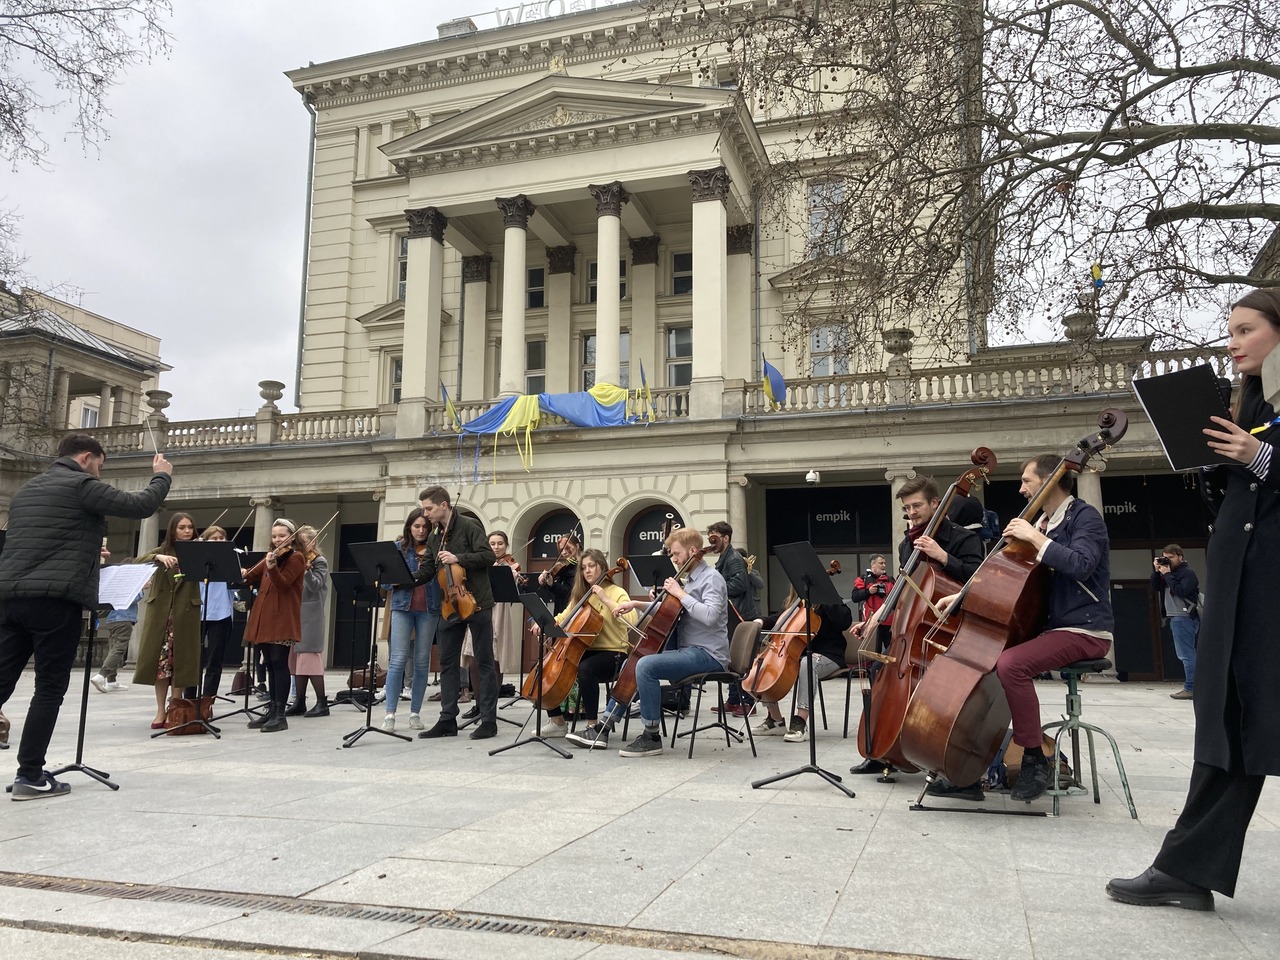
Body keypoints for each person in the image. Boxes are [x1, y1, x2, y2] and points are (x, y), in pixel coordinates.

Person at [1108, 289, 1280, 911]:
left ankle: (1185, 866)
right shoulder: (1250, 403)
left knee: (1246, 715)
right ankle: (1186, 867)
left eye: (1245, 329)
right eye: (1229, 331)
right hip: (1241, 587)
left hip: (1269, 590)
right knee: (1228, 718)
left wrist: (1261, 456)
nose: (1232, 343)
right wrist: (1216, 464)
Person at [931, 453, 1114, 804]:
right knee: (982, 664)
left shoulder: (1084, 517)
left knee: (1012, 664)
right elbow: (1003, 577)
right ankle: (969, 771)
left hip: (1084, 630)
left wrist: (1034, 536)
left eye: (1027, 481)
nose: (1021, 489)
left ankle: (1034, 759)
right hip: (1050, 628)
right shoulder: (1043, 522)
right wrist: (962, 596)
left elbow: (1081, 564)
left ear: (1050, 481)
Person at [0, 435, 171, 800]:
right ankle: (30, 775)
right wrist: (161, 475)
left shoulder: (28, 490)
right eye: (100, 466)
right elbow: (142, 505)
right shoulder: (81, 484)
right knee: (49, 688)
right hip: (55, 601)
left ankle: (30, 772)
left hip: (11, 597)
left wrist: (88, 549)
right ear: (86, 458)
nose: (99, 473)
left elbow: (45, 540)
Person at [850, 475, 984, 775]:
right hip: (912, 633)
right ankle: (881, 751)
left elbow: (979, 579)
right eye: (907, 508)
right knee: (878, 671)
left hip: (949, 631)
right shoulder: (906, 545)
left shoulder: (963, 538)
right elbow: (903, 589)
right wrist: (874, 618)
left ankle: (934, 756)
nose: (911, 513)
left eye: (917, 506)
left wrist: (943, 556)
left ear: (935, 503)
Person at [610, 527, 728, 758]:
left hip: (709, 655)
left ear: (692, 551)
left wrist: (681, 594)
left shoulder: (712, 579)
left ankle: (651, 736)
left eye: (676, 553)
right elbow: (674, 611)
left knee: (646, 665)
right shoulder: (689, 581)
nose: (673, 559)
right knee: (634, 662)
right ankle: (608, 721)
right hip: (690, 651)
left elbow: (710, 616)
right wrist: (637, 604)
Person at [514, 549, 637, 747]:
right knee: (546, 669)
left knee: (586, 669)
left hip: (613, 652)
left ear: (602, 567)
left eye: (591, 566)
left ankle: (592, 726)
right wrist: (544, 623)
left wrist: (605, 599)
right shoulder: (581, 595)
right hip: (586, 649)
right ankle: (557, 721)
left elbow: (632, 619)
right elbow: (564, 616)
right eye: (583, 567)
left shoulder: (616, 592)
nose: (587, 571)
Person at [413, 486, 499, 740]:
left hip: (477, 602)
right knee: (448, 662)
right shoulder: (434, 535)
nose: (425, 514)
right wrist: (405, 579)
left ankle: (489, 721)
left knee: (483, 661)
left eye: (429, 508)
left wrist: (457, 557)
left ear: (444, 505)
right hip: (449, 605)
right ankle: (447, 719)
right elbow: (428, 569)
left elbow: (487, 556)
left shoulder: (470, 526)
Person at [749, 587, 853, 741]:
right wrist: (761, 621)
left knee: (807, 663)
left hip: (829, 655)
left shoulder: (829, 602)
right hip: (799, 655)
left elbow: (844, 621)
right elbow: (778, 619)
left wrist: (824, 597)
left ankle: (800, 721)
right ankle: (776, 721)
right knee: (761, 667)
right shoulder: (795, 604)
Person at [132, 513, 202, 729]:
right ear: (173, 530)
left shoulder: (197, 551)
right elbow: (136, 561)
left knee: (180, 662)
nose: (187, 531)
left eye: (190, 527)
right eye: (182, 527)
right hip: (162, 615)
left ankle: (175, 707)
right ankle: (160, 710)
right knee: (161, 665)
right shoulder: (162, 550)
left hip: (185, 613)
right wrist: (157, 557)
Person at [241, 519, 306, 733]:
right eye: (274, 536)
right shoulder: (272, 556)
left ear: (292, 537)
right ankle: (272, 709)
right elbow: (251, 576)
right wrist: (244, 572)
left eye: (282, 535)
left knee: (279, 663)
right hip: (264, 616)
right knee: (268, 662)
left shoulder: (296, 557)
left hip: (282, 617)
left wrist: (272, 568)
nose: (277, 539)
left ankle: (280, 715)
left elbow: (283, 584)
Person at [383, 508, 440, 732]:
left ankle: (415, 713)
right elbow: (384, 581)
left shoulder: (436, 548)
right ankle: (390, 714)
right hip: (402, 607)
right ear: (409, 527)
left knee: (422, 661)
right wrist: (395, 580)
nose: (421, 530)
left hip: (429, 608)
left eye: (425, 527)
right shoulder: (398, 549)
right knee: (397, 660)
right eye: (417, 526)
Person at [706, 521, 756, 717]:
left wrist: (715, 587)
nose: (711, 542)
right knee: (733, 659)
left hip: (740, 615)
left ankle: (748, 702)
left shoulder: (733, 558)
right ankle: (734, 700)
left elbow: (740, 584)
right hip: (734, 615)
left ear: (726, 538)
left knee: (742, 660)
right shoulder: (725, 557)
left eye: (714, 538)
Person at [285, 524, 330, 717]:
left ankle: (322, 702)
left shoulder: (319, 562)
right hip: (295, 614)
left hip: (311, 616)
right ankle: (300, 701)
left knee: (310, 659)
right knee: (298, 661)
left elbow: (316, 586)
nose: (299, 547)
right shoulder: (295, 560)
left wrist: (306, 571)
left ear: (313, 543)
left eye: (303, 543)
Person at [1150, 544, 1200, 700]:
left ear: (1181, 557)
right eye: (1165, 557)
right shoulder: (1168, 573)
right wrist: (1157, 571)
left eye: (1171, 557)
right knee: (1185, 654)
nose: (1168, 561)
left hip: (1184, 616)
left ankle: (1191, 688)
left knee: (1186, 654)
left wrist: (1167, 574)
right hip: (1175, 616)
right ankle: (1194, 687)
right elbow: (1155, 587)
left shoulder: (1188, 573)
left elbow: (1181, 590)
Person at [194, 525, 235, 698]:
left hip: (221, 612)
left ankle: (207, 700)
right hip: (197, 612)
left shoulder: (232, 558)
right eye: (214, 538)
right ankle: (189, 699)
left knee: (215, 660)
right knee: (193, 660)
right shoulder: (196, 557)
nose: (219, 541)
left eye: (221, 538)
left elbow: (237, 586)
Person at [93, 560, 142, 694]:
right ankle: (101, 675)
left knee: (113, 648)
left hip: (112, 620)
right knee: (119, 649)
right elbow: (132, 599)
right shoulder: (130, 583)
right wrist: (141, 588)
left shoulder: (117, 582)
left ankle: (111, 681)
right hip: (124, 619)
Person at [488, 530, 525, 693]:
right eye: (492, 544)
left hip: (501, 612)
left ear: (506, 545)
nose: (496, 547)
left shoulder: (510, 566)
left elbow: (512, 593)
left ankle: (495, 695)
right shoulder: (484, 563)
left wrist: (514, 577)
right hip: (482, 610)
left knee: (498, 655)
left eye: (500, 544)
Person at [849, 554, 893, 654]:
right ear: (873, 565)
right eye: (881, 563)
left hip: (889, 623)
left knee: (892, 652)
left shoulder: (890, 580)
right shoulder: (863, 579)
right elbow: (855, 597)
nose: (884, 565)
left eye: (885, 563)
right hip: (871, 623)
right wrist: (868, 591)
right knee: (872, 654)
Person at [538, 533, 580, 615]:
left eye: (567, 548)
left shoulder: (581, 567)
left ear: (577, 546)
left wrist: (552, 584)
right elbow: (555, 592)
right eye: (561, 550)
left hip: (572, 611)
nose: (564, 552)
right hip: (560, 611)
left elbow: (568, 592)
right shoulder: (564, 568)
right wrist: (545, 582)